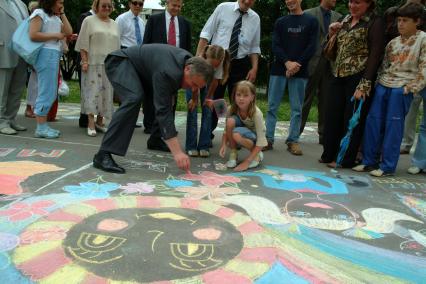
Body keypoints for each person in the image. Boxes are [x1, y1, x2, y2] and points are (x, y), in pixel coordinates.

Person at [92, 44, 214, 173]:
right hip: (120, 62)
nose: (193, 89)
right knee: (134, 98)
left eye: (197, 87)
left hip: (143, 72)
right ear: (187, 69)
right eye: (193, 84)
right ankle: (103, 154)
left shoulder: (189, 63)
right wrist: (177, 152)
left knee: (167, 101)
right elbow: (163, 111)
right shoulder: (168, 71)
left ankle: (155, 139)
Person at [352, 3, 425, 177]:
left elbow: (424, 68)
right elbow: (384, 66)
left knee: (393, 126)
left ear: (418, 22)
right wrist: (377, 85)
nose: (400, 24)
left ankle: (387, 166)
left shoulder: (423, 39)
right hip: (384, 84)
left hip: (403, 87)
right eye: (399, 20)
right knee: (373, 122)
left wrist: (411, 88)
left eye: (405, 21)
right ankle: (369, 161)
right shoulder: (393, 42)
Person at [320, 0, 385, 168]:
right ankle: (328, 154)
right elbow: (329, 49)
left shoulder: (374, 22)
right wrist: (331, 33)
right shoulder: (345, 19)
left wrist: (365, 83)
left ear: (369, 3)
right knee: (331, 115)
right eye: (350, 2)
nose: (352, 6)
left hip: (358, 76)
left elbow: (375, 54)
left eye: (357, 2)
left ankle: (343, 159)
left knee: (351, 119)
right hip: (337, 74)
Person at [196, 0, 261, 146]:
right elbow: (206, 33)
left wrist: (254, 68)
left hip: (240, 63)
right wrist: (198, 58)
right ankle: (207, 136)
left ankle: (236, 137)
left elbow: (255, 47)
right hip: (219, 62)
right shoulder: (223, 8)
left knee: (239, 102)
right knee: (214, 99)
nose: (247, 1)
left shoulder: (255, 18)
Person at [264, 0, 319, 155]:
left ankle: (293, 140)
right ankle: (268, 139)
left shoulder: (311, 21)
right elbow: (276, 45)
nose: (289, 1)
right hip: (279, 69)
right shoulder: (281, 22)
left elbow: (312, 47)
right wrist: (287, 63)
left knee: (297, 108)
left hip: (300, 71)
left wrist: (297, 65)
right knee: (272, 107)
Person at [142, 0, 191, 135]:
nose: (176, 8)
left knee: (171, 99)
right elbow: (146, 43)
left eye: (179, 6)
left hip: (176, 66)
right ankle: (150, 125)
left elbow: (187, 47)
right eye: (173, 5)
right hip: (155, 64)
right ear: (167, 4)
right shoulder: (154, 20)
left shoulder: (185, 23)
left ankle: (168, 128)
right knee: (152, 95)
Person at [75, 0, 120, 137]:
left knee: (106, 96)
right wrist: (84, 61)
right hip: (92, 63)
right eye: (103, 5)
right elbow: (83, 42)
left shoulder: (115, 24)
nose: (106, 8)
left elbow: (117, 46)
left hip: (109, 65)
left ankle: (100, 123)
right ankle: (90, 123)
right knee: (92, 94)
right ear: (97, 6)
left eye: (109, 6)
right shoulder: (89, 20)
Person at [299, 0, 341, 144]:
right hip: (311, 62)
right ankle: (295, 133)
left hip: (331, 64)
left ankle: (324, 135)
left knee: (327, 101)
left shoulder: (340, 17)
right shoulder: (308, 14)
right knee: (305, 99)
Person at [29, 0, 72, 139]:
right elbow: (33, 34)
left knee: (52, 91)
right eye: (59, 2)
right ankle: (40, 127)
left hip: (53, 54)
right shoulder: (39, 13)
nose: (61, 4)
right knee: (46, 90)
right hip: (45, 54)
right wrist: (55, 36)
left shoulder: (55, 17)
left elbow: (68, 32)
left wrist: (62, 13)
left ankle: (43, 125)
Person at [186, 45, 230, 158]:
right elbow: (195, 86)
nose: (213, 67)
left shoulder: (220, 61)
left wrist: (208, 98)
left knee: (208, 110)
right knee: (192, 110)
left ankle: (204, 146)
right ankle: (191, 146)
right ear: (206, 57)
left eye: (216, 65)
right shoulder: (199, 62)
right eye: (211, 65)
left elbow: (215, 82)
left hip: (208, 84)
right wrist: (194, 99)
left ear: (220, 61)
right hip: (193, 82)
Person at [219, 80, 267, 171]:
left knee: (236, 134)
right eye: (238, 95)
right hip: (242, 130)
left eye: (245, 95)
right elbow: (226, 130)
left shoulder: (257, 114)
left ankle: (256, 155)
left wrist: (247, 161)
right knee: (230, 122)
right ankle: (233, 153)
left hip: (255, 136)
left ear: (252, 97)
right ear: (234, 96)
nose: (241, 98)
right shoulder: (231, 109)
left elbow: (262, 140)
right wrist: (223, 145)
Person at [0, 0, 29, 135]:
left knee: (17, 89)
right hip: (3, 49)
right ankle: (1, 122)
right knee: (2, 89)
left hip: (21, 51)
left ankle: (10, 119)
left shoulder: (21, 4)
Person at [76, 7, 94, 129]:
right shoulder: (85, 17)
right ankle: (84, 119)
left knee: (95, 92)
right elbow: (82, 39)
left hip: (97, 59)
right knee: (86, 90)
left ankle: (92, 119)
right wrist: (84, 60)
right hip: (86, 59)